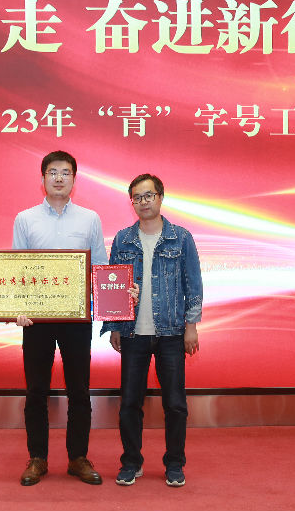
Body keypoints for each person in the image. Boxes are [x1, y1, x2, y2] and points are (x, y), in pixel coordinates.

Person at [12, 150, 109, 486]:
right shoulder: (25, 219)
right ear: (42, 179)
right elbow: (17, 269)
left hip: (77, 317)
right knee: (36, 390)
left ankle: (78, 458)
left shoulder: (90, 219)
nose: (58, 178)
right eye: (52, 172)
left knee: (79, 390)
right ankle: (37, 458)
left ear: (74, 180)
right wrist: (17, 308)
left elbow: (100, 268)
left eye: (65, 172)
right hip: (36, 318)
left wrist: (112, 303)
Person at [101, 173, 203, 488]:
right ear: (131, 202)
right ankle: (131, 462)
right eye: (137, 197)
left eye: (149, 196)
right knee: (130, 403)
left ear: (160, 197)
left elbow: (193, 284)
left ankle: (174, 464)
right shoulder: (123, 239)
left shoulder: (181, 238)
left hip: (172, 332)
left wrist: (191, 327)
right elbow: (113, 284)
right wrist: (114, 326)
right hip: (133, 333)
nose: (143, 202)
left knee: (175, 403)